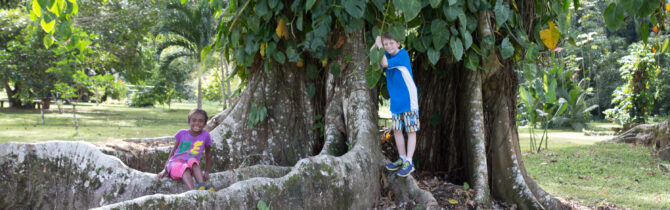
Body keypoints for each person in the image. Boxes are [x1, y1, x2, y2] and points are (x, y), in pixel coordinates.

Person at [373, 33, 420, 177]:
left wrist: (379, 46)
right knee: (397, 130)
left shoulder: (403, 54)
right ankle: (402, 158)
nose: (388, 47)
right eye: (385, 44)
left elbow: (385, 64)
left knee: (411, 130)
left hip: (408, 100)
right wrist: (376, 42)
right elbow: (372, 58)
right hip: (395, 101)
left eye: (391, 43)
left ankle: (409, 162)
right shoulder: (386, 56)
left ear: (398, 43)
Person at [157, 109, 215, 190]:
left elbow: (208, 154)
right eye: (194, 120)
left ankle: (202, 186)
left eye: (200, 121)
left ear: (205, 123)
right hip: (175, 165)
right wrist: (165, 169)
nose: (197, 123)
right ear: (189, 122)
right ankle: (192, 191)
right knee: (184, 168)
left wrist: (206, 171)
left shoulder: (206, 135)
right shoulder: (182, 133)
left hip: (190, 166)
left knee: (193, 161)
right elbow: (173, 152)